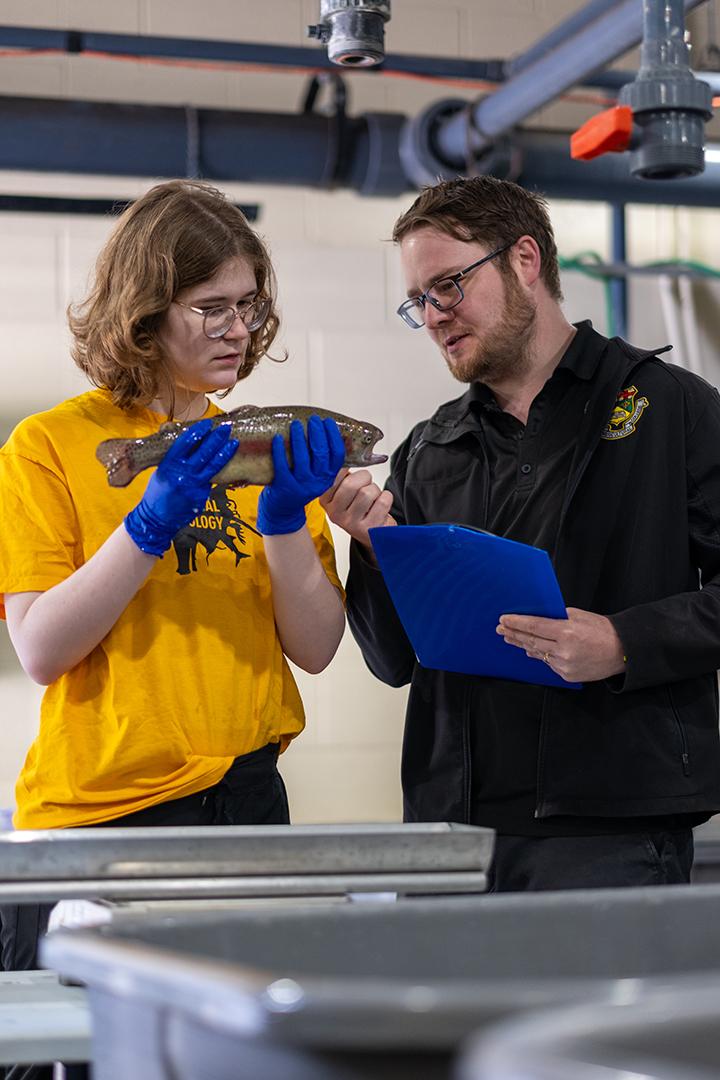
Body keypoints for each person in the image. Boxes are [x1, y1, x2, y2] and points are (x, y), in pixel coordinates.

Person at [0, 180, 346, 1056]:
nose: (240, 330)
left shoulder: (268, 445)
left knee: (236, 1060)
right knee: (98, 1060)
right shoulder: (50, 446)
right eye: (213, 308)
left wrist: (281, 520)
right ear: (145, 314)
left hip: (248, 804)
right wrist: (149, 520)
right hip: (105, 821)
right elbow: (41, 648)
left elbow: (316, 647)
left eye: (251, 308)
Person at [320, 175, 720, 893]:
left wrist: (626, 643)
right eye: (419, 301)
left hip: (608, 837)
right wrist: (372, 552)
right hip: (451, 836)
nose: (435, 315)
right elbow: (395, 662)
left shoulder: (667, 408)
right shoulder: (429, 449)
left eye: (449, 285)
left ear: (525, 261)